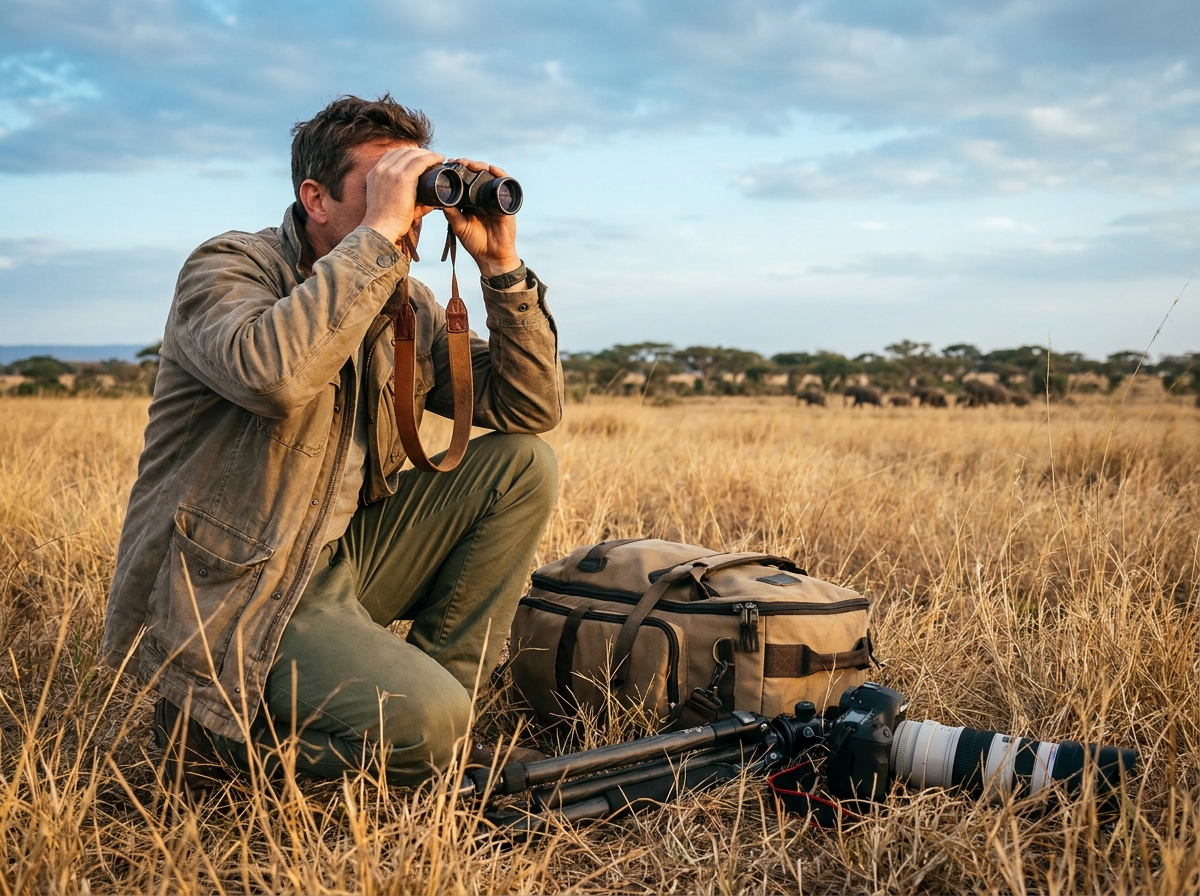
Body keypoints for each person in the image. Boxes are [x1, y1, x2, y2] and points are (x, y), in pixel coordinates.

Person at [99, 95, 563, 793]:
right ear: (315, 198)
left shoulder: (403, 302)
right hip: (235, 584)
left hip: (338, 560)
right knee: (423, 724)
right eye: (388, 185)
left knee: (521, 465)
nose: (409, 208)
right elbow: (276, 376)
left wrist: (502, 269)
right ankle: (210, 749)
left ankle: (442, 722)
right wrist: (376, 237)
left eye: (415, 186)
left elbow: (528, 410)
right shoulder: (227, 269)